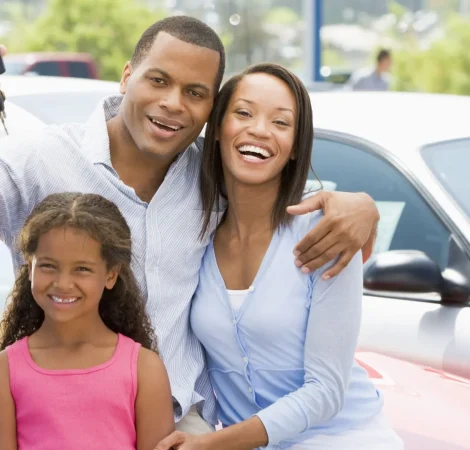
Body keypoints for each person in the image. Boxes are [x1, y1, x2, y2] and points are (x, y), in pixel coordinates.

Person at [0, 16, 379, 432]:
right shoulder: (39, 159)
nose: (174, 103)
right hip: (61, 411)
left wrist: (361, 206)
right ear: (127, 77)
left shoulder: (213, 176)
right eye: (158, 81)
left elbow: (288, 195)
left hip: (182, 424)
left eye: (195, 93)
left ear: (211, 110)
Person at [156, 64, 403, 450]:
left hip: (345, 439)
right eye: (243, 113)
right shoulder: (195, 236)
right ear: (218, 129)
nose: (259, 130)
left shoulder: (326, 232)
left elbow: (325, 392)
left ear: (293, 148)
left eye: (281, 122)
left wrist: (212, 444)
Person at [0, 193, 174, 450]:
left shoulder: (144, 369)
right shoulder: (6, 370)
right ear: (29, 265)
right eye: (48, 266)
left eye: (82, 269)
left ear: (111, 275)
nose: (62, 284)